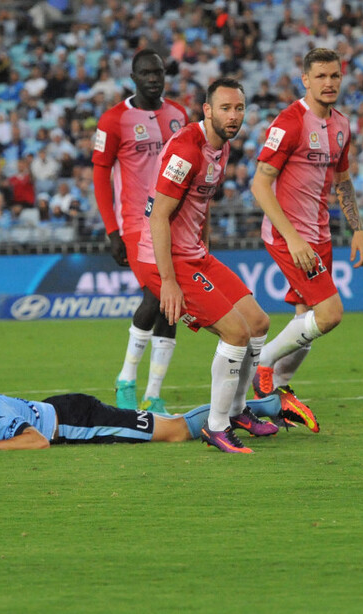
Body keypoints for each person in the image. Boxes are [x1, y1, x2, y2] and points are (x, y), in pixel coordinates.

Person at [132, 78, 276, 453]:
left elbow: (203, 201)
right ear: (207, 111)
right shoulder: (186, 150)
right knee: (235, 333)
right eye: (226, 108)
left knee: (258, 322)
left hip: (194, 253)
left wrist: (205, 250)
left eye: (239, 108)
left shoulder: (221, 147)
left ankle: (239, 409)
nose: (233, 116)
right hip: (164, 259)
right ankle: (216, 426)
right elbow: (158, 217)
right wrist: (167, 282)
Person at [249, 48, 363, 434]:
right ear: (305, 80)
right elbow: (260, 183)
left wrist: (358, 229)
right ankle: (263, 366)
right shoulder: (289, 122)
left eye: (334, 75)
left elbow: (343, 181)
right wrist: (292, 238)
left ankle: (276, 395)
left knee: (307, 321)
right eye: (321, 76)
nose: (329, 83)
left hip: (320, 234)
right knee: (330, 313)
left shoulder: (342, 125)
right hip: (290, 235)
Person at [92, 48, 190, 413]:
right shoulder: (113, 119)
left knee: (171, 304)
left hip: (174, 223)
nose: (153, 78)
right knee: (155, 296)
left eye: (158, 72)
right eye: (146, 73)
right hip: (135, 223)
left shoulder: (179, 115)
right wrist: (111, 230)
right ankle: (126, 379)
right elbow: (101, 174)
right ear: (133, 77)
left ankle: (154, 395)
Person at [0, 379, 283, 453]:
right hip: (58, 409)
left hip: (77, 419)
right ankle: (248, 411)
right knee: (167, 425)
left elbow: (36, 442)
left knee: (173, 433)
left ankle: (269, 405)